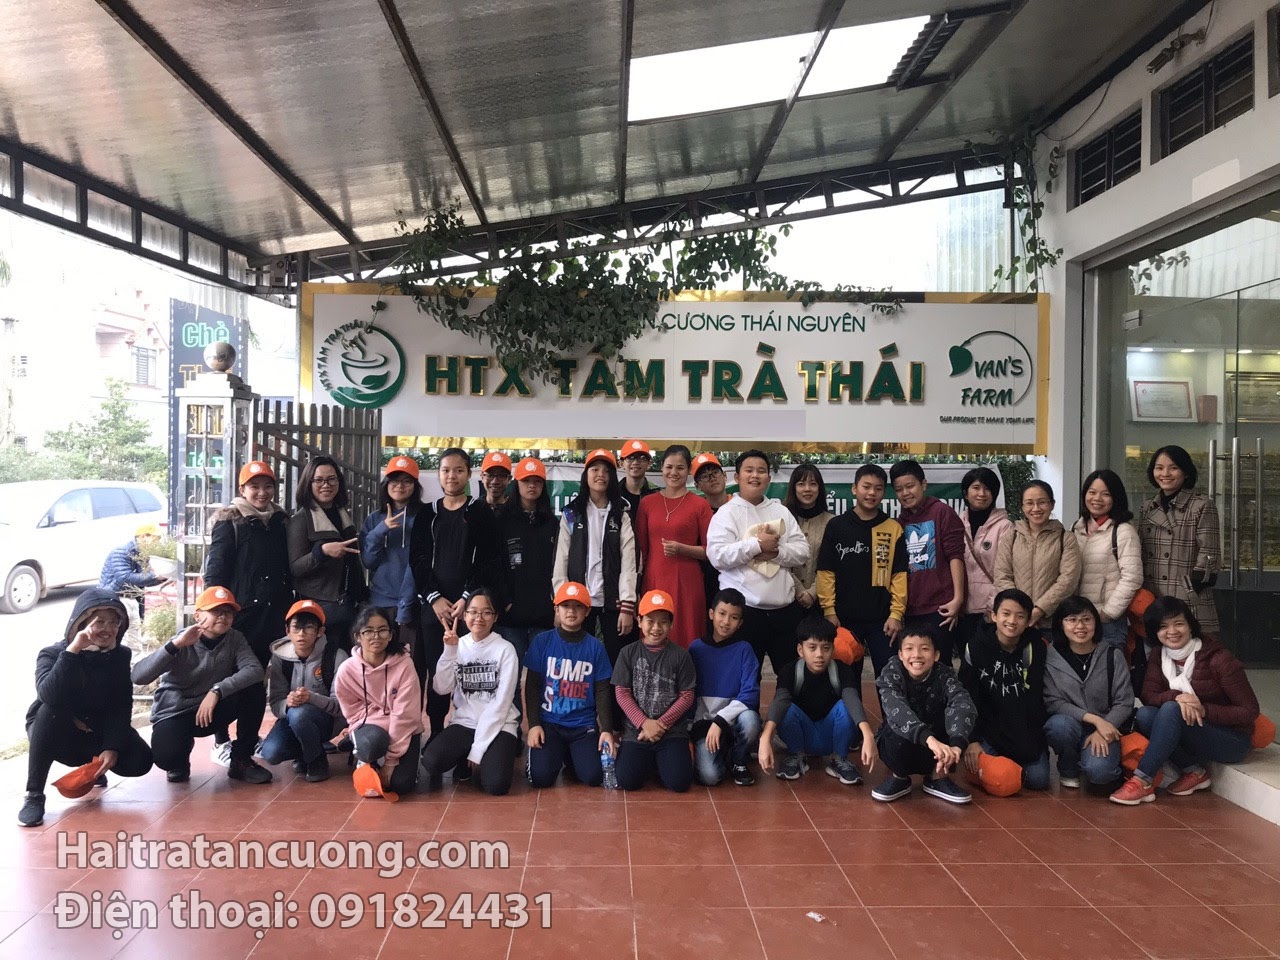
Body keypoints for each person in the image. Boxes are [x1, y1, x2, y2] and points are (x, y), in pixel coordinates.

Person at [19, 588, 154, 827]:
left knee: (140, 760)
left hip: (97, 731)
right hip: (59, 733)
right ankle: (34, 795)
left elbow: (121, 704)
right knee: (49, 710)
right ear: (81, 623)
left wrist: (111, 747)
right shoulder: (52, 653)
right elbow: (49, 695)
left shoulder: (119, 655)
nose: (107, 628)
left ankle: (94, 770)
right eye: (99, 621)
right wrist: (74, 650)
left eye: (113, 622)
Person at [1111, 597, 1259, 805]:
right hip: (1193, 729)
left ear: (1190, 625)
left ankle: (1142, 781)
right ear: (1155, 631)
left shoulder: (1219, 659)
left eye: (1178, 623)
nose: (1172, 631)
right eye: (1163, 626)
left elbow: (1249, 710)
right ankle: (1194, 771)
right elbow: (1148, 695)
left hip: (1231, 739)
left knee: (1171, 710)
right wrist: (1178, 697)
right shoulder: (1159, 655)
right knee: (1145, 715)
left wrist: (1204, 709)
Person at [132, 586, 272, 785]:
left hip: (213, 709)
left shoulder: (235, 638)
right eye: (216, 611)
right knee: (167, 758)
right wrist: (174, 646)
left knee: (254, 691)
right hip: (177, 711)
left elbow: (255, 670)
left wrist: (217, 690)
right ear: (198, 616)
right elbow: (138, 676)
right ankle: (179, 760)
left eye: (228, 612)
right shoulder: (182, 641)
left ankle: (240, 760)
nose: (223, 617)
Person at [409, 447, 501, 743]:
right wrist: (434, 598)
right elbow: (417, 560)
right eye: (446, 470)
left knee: (470, 671)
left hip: (469, 609)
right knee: (437, 671)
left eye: (459, 470)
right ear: (439, 474)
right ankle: (437, 730)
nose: (452, 476)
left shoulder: (480, 512)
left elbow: (488, 559)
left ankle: (468, 731)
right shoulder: (427, 514)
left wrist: (467, 598)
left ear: (469, 474)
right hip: (434, 609)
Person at [706, 449, 810, 675]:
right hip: (744, 612)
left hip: (784, 611)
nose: (755, 476)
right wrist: (756, 545)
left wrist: (776, 552)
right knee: (744, 679)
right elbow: (717, 556)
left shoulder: (780, 511)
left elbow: (803, 551)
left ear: (769, 478)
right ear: (737, 477)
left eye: (761, 471)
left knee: (791, 677)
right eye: (749, 471)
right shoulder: (725, 513)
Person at [420, 590, 522, 796]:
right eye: (473, 612)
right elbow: (441, 688)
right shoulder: (458, 644)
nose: (479, 618)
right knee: (432, 761)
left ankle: (483, 755)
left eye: (486, 612)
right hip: (465, 722)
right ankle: (466, 755)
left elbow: (502, 703)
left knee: (496, 785)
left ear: (495, 617)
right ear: (464, 615)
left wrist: (478, 749)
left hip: (500, 724)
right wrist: (449, 651)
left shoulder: (506, 649)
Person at [758, 617, 876, 786]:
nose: (819, 654)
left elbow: (852, 700)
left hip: (832, 737)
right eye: (812, 648)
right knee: (786, 708)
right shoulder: (789, 671)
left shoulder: (842, 670)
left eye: (825, 648)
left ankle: (839, 759)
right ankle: (796, 756)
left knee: (846, 706)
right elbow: (780, 701)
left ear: (832, 649)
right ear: (800, 650)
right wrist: (765, 737)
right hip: (801, 735)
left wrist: (868, 734)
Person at [817, 463, 907, 679]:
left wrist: (896, 614)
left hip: (883, 621)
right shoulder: (837, 526)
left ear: (884, 493)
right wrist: (829, 611)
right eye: (866, 487)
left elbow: (899, 575)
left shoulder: (892, 528)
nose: (871, 493)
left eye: (878, 488)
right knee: (845, 681)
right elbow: (826, 571)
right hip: (843, 620)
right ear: (854, 488)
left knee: (889, 679)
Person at [524, 581, 615, 788]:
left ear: (587, 611)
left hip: (583, 725)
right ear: (556, 609)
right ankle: (554, 754)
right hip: (550, 723)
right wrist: (534, 725)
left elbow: (602, 690)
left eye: (578, 606)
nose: (571, 611)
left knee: (592, 776)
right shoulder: (542, 641)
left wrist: (606, 729)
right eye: (565, 606)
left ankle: (570, 755)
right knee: (540, 778)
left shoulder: (596, 647)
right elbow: (532, 686)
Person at [871, 626, 977, 804]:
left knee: (953, 721)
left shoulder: (945, 674)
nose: (917, 655)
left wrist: (957, 746)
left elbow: (962, 703)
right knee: (895, 729)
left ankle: (937, 778)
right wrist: (929, 739)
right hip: (904, 742)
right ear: (900, 654)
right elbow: (896, 707)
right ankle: (899, 777)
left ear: (936, 655)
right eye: (909, 648)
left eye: (925, 649)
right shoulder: (892, 672)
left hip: (935, 746)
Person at [960, 588, 1050, 793]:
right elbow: (967, 697)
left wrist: (1036, 743)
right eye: (1006, 614)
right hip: (989, 733)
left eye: (1020, 616)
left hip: (1024, 733)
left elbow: (1037, 701)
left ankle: (1009, 766)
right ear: (994, 616)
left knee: (1038, 780)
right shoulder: (975, 647)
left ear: (1028, 621)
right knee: (1001, 777)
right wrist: (972, 740)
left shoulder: (1036, 647)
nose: (1012, 621)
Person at [552, 448, 637, 664]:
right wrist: (561, 603)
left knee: (614, 662)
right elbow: (561, 560)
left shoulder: (621, 514)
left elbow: (629, 563)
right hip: (577, 602)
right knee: (577, 663)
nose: (601, 475)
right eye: (595, 469)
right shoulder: (572, 513)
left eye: (606, 471)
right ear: (586, 474)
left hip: (613, 603)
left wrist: (627, 606)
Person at [205, 460, 294, 667]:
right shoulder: (230, 521)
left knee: (270, 674)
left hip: (275, 615)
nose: (262, 492)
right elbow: (216, 571)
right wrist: (216, 610)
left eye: (268, 486)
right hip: (242, 616)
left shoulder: (280, 521)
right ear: (242, 490)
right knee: (238, 672)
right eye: (254, 487)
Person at [332, 605, 423, 797]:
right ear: (358, 636)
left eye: (382, 630)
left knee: (401, 784)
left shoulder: (404, 664)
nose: (376, 636)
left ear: (390, 635)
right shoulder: (347, 670)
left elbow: (406, 715)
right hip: (370, 725)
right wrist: (374, 722)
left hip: (404, 727)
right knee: (371, 745)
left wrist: (391, 762)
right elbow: (352, 711)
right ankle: (365, 756)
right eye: (368, 631)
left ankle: (378, 758)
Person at [1043, 596, 1133, 789]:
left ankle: (1098, 761)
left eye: (1086, 619)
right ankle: (1068, 766)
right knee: (1059, 726)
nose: (1080, 626)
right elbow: (1053, 702)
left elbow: (1124, 701)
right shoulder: (1051, 657)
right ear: (1061, 624)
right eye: (1072, 620)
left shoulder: (1112, 655)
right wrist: (1095, 720)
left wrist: (1103, 726)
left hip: (1107, 725)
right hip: (1071, 724)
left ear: (1096, 622)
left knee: (1101, 774)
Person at [612, 590, 696, 792]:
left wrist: (660, 725)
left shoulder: (681, 656)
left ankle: (666, 758)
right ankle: (652, 761)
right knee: (627, 781)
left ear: (671, 624)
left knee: (679, 783)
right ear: (639, 621)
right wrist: (644, 723)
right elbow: (622, 693)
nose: (656, 628)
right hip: (637, 731)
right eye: (650, 621)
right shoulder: (627, 653)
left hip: (671, 731)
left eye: (663, 622)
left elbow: (687, 696)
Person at [260, 599, 349, 783]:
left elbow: (341, 708)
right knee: (271, 753)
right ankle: (306, 751)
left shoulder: (336, 656)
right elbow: (276, 703)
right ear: (287, 631)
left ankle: (317, 761)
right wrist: (287, 704)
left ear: (320, 631)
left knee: (299, 714)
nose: (301, 634)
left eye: (308, 628)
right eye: (296, 628)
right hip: (292, 720)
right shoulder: (280, 658)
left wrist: (310, 698)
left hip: (327, 721)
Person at [1138, 444, 1221, 640]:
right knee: (1155, 653)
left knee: (1197, 652)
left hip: (1188, 596)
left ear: (1186, 472)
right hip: (1153, 596)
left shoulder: (1201, 505)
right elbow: (1141, 550)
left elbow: (1209, 553)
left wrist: (1192, 587)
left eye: (1173, 468)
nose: (1165, 474)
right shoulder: (1148, 507)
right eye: (1159, 468)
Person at [288, 455, 367, 653]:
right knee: (324, 662)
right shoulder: (301, 520)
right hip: (318, 608)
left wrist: (362, 595)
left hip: (348, 604)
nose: (326, 485)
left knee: (347, 661)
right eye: (319, 480)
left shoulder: (343, 514)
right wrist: (322, 551)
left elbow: (353, 561)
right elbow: (295, 568)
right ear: (308, 483)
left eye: (332, 479)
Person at [635, 444, 712, 649]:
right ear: (661, 468)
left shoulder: (700, 505)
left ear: (689, 471)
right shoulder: (647, 503)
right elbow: (640, 551)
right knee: (653, 633)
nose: (674, 472)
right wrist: (637, 587)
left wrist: (682, 549)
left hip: (687, 582)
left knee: (686, 632)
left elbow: (712, 550)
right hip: (654, 579)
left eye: (680, 468)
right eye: (669, 467)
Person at [889, 460, 966, 663]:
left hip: (940, 608)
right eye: (899, 489)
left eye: (910, 486)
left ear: (923, 484)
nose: (905, 493)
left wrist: (958, 599)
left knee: (939, 664)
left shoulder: (941, 512)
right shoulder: (899, 523)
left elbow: (956, 556)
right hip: (911, 610)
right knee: (914, 666)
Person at [688, 588, 760, 787]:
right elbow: (688, 692)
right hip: (704, 725)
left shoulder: (744, 649)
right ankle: (724, 752)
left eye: (734, 617)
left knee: (751, 721)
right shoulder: (696, 648)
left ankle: (739, 760)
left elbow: (750, 694)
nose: (726, 622)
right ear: (711, 614)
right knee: (709, 777)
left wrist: (720, 721)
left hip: (733, 721)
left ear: (740, 623)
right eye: (722, 614)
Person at [360, 455, 424, 666]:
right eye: (395, 480)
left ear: (415, 485)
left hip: (414, 603)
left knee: (410, 665)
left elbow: (422, 563)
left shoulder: (424, 515)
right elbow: (368, 561)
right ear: (386, 483)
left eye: (407, 481)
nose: (400, 486)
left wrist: (407, 604)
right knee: (379, 664)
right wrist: (381, 530)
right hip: (381, 603)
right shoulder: (374, 518)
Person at [495, 457, 558, 669]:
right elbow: (495, 564)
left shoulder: (551, 523)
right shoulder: (502, 519)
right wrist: (504, 600)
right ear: (516, 484)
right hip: (511, 616)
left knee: (542, 676)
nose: (532, 486)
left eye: (537, 481)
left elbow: (558, 566)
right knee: (510, 675)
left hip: (543, 615)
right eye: (526, 481)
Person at [993, 480, 1081, 628]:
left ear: (1052, 504)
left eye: (1042, 502)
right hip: (1017, 623)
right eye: (1029, 503)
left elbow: (1068, 580)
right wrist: (1020, 610)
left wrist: (1039, 610)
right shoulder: (1011, 536)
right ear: (1022, 506)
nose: (1036, 508)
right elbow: (1002, 575)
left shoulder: (1066, 538)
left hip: (1053, 623)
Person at [1071, 470, 1143, 649]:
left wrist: (1108, 613)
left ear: (1116, 498)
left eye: (1106, 494)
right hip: (1078, 618)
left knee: (1109, 665)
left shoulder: (1123, 531)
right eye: (1092, 492)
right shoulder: (1077, 528)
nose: (1097, 499)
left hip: (1108, 623)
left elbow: (1132, 578)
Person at [956, 467, 1011, 662]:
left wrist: (993, 606)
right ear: (966, 493)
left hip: (989, 612)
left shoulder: (1005, 526)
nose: (981, 493)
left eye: (987, 489)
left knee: (989, 663)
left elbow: (1005, 570)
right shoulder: (956, 524)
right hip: (961, 611)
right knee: (966, 664)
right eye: (976, 487)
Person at [785, 462, 834, 617]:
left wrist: (812, 593)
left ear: (820, 488)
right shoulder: (783, 519)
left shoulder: (832, 522)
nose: (807, 489)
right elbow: (778, 559)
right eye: (801, 484)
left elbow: (832, 563)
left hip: (822, 602)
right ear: (793, 488)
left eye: (813, 484)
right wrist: (799, 591)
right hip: (786, 598)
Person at [98, 523, 165, 618]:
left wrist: (162, 577)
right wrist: (155, 576)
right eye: (155, 540)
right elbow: (125, 578)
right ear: (143, 537)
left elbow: (143, 581)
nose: (156, 543)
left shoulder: (143, 554)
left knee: (135, 627)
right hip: (115, 599)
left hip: (132, 601)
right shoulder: (121, 552)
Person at [618, 438, 657, 525]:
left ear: (649, 464)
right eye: (630, 458)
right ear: (621, 463)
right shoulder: (612, 493)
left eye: (642, 458)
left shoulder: (657, 494)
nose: (635, 462)